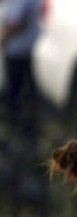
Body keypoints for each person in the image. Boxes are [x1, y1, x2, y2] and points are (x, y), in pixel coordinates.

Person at [1, 0, 40, 137]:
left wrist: (2, 38)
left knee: (14, 89)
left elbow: (14, 23)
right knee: (29, 88)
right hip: (29, 49)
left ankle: (15, 123)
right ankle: (28, 122)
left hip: (17, 52)